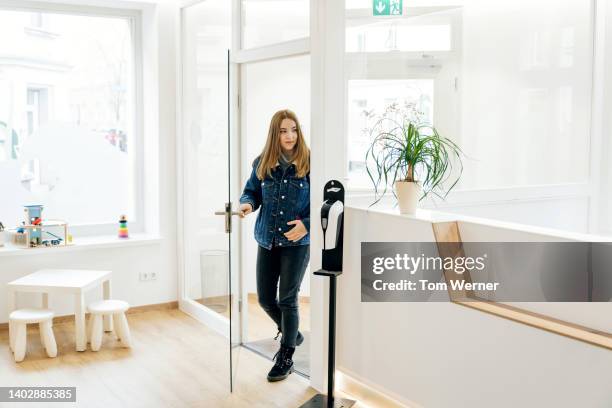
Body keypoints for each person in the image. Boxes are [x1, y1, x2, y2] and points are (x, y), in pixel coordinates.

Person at [239, 109, 310, 382]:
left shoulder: (310, 163)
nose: (289, 135)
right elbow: (251, 192)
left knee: (287, 299)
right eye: (283, 131)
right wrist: (247, 204)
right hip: (267, 240)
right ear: (275, 134)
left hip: (296, 243)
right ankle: (293, 332)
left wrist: (306, 223)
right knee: (266, 299)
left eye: (293, 129)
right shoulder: (262, 162)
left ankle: (286, 355)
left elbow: (323, 203)